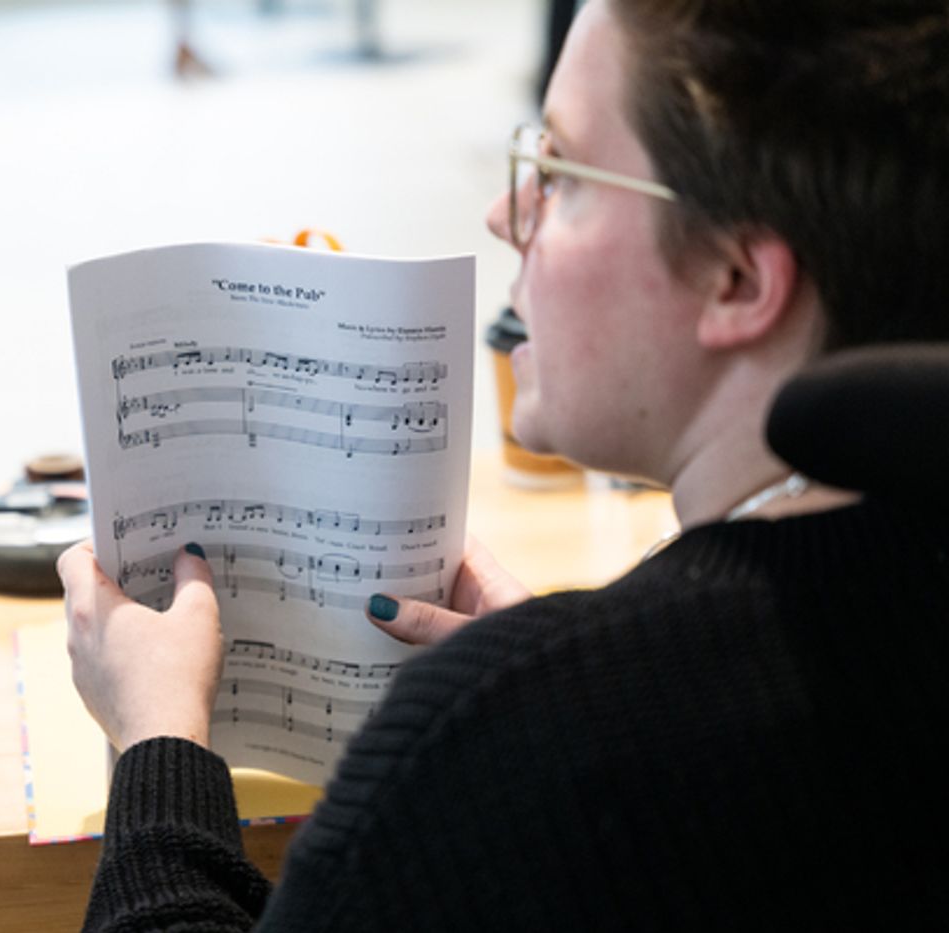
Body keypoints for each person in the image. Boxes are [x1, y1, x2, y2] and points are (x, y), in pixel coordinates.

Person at [57, 0, 949, 928]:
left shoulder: (517, 746)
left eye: (560, 173)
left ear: (738, 279)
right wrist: (561, 673)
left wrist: (158, 739)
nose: (505, 212)